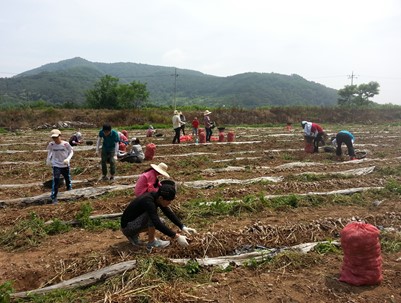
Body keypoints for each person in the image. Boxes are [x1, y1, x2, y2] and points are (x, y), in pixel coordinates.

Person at [121, 183, 197, 251]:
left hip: (133, 223)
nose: (170, 203)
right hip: (128, 228)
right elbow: (156, 223)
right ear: (161, 198)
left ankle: (133, 235)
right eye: (169, 201)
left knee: (162, 221)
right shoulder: (149, 202)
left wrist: (182, 226)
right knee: (152, 217)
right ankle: (151, 243)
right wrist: (177, 236)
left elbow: (168, 212)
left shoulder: (156, 197)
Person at [46, 129, 74, 204]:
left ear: (60, 136)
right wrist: (48, 159)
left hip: (64, 164)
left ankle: (69, 190)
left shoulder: (65, 144)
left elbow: (71, 152)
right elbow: (50, 151)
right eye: (53, 138)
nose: (55, 139)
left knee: (67, 178)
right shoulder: (51, 144)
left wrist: (68, 159)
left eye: (56, 137)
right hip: (56, 164)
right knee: (56, 179)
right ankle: (54, 196)